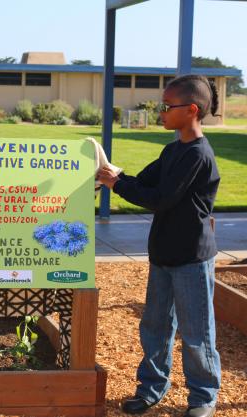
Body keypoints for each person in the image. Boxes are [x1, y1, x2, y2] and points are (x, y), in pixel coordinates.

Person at [98, 74, 221, 417]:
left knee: (196, 332)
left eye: (168, 107)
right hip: (163, 254)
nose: (161, 112)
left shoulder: (198, 155)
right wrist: (112, 176)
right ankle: (152, 388)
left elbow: (161, 199)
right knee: (155, 326)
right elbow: (143, 181)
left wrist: (117, 185)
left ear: (192, 110)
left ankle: (203, 396)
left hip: (192, 259)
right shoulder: (172, 150)